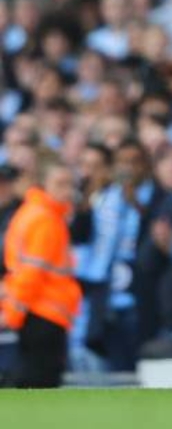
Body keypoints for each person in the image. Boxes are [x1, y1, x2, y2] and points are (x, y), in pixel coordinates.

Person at [1, 162, 82, 388]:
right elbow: (31, 274)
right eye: (59, 184)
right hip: (44, 312)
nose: (67, 190)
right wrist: (13, 314)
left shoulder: (32, 213)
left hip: (37, 312)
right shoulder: (46, 219)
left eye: (70, 184)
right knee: (40, 384)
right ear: (43, 185)